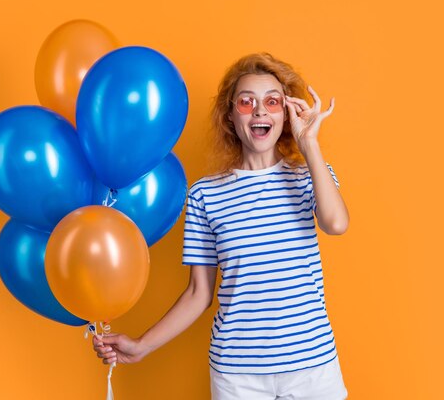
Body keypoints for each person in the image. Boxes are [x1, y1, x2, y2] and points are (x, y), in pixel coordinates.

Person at [93, 53, 350, 400]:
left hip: (312, 369)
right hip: (237, 375)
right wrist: (141, 346)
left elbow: (336, 223)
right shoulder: (205, 195)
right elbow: (199, 294)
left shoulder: (309, 176)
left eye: (272, 101)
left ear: (286, 113)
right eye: (247, 102)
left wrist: (310, 145)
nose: (260, 111)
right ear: (230, 116)